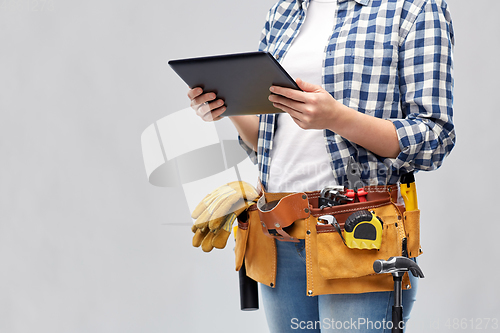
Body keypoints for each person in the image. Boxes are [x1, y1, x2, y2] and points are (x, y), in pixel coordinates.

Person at [188, 0, 455, 332]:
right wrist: (228, 107)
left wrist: (336, 119)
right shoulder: (284, 10)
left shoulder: (412, 8)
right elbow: (269, 142)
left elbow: (434, 137)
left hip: (355, 237)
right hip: (278, 234)